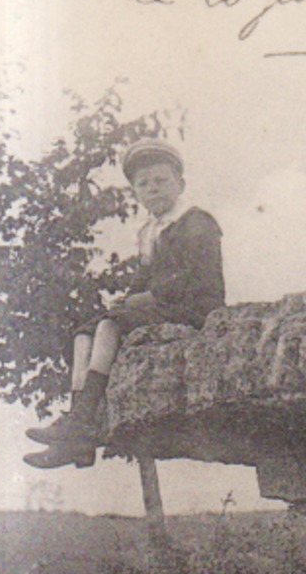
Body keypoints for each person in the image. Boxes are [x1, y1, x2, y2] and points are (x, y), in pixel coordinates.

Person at [24, 139, 224, 469]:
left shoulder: (196, 222)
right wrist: (129, 296)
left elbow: (197, 277)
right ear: (136, 193)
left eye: (162, 181)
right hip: (162, 304)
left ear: (180, 184)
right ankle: (78, 430)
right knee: (84, 333)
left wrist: (151, 296)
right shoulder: (149, 231)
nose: (153, 190)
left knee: (109, 325)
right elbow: (143, 278)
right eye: (143, 185)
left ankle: (81, 422)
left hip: (194, 306)